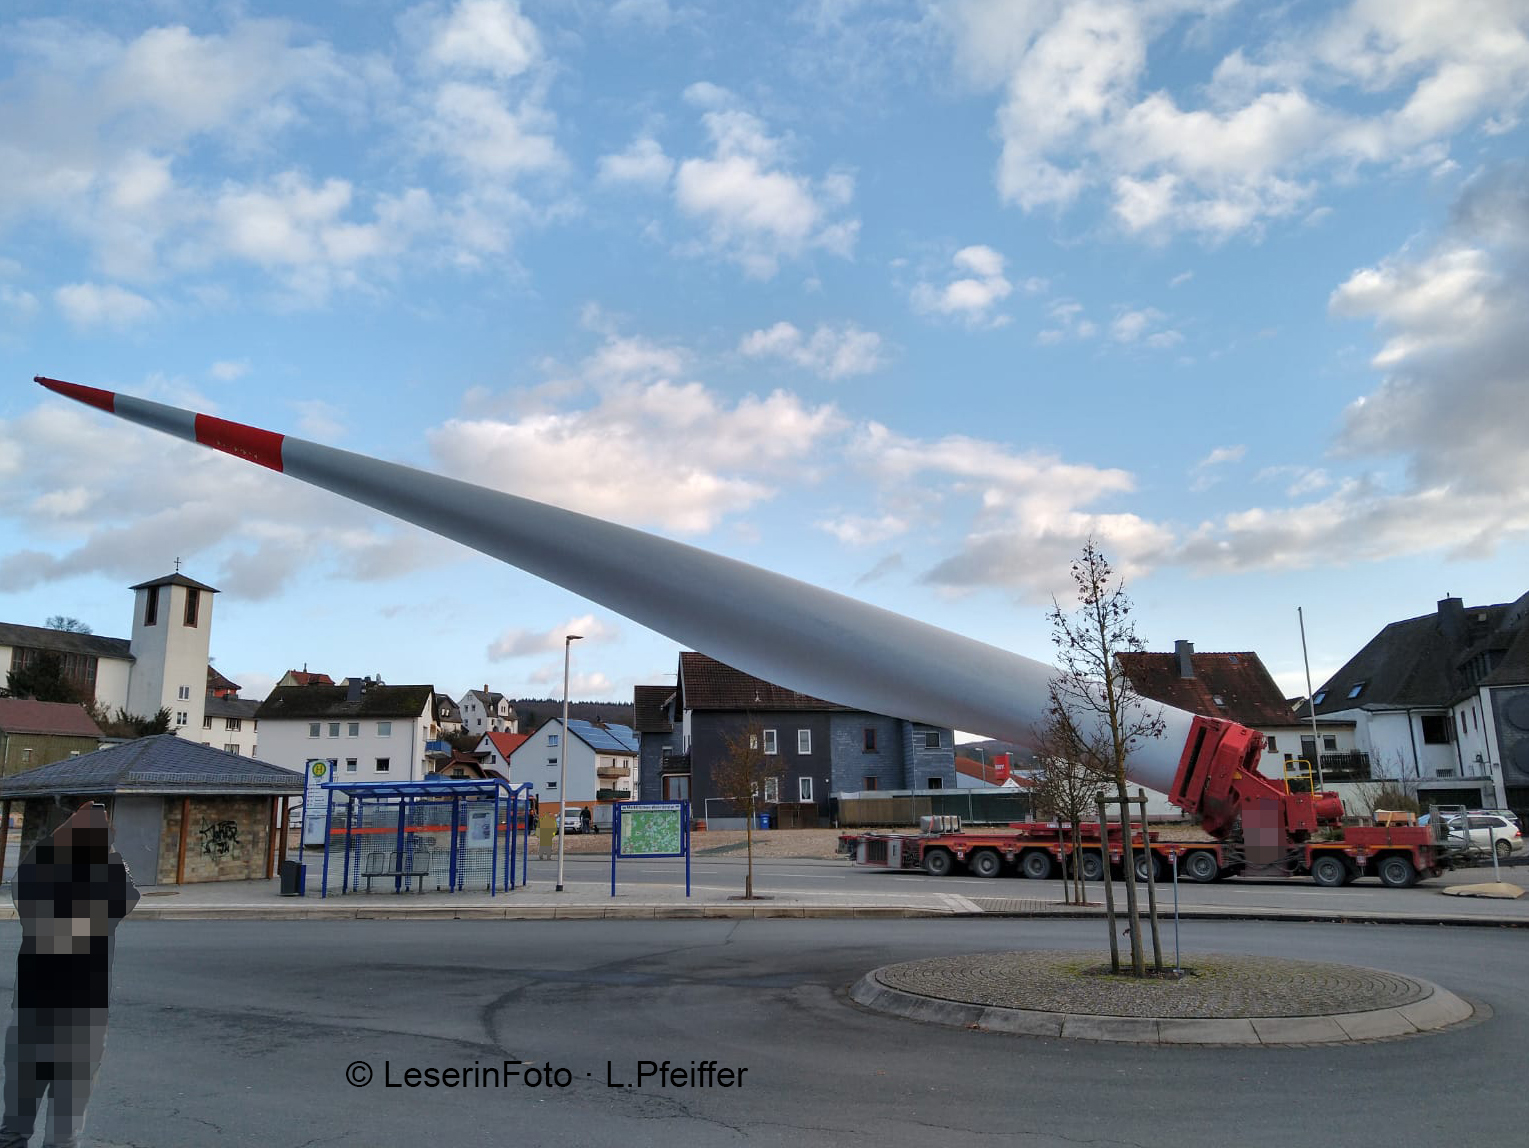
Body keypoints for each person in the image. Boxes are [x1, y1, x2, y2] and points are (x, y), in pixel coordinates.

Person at [2, 803, 139, 1148]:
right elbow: (128, 894)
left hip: (33, 1007)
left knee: (16, 1117)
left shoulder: (36, 879)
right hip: (83, 1012)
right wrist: (107, 847)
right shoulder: (104, 888)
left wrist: (63, 834)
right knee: (65, 1124)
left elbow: (26, 876)